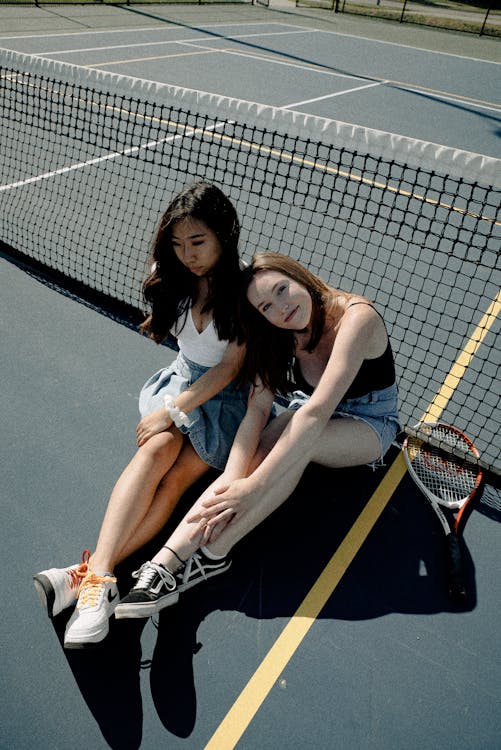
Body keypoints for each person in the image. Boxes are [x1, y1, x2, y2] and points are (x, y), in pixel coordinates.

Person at [113, 251, 400, 618]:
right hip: (306, 412)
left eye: (282, 290)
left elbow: (316, 413)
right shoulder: (275, 333)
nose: (281, 308)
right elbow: (258, 409)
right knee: (258, 450)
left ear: (299, 276)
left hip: (369, 424)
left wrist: (256, 485)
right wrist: (233, 478)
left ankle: (215, 553)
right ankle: (163, 564)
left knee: (296, 444)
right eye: (266, 306)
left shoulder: (356, 318)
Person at [33, 181, 250, 648]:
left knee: (175, 481)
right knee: (157, 449)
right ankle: (100, 581)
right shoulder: (170, 276)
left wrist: (173, 408)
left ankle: (87, 575)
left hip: (228, 397)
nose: (187, 254)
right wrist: (173, 410)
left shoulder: (244, 289)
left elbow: (231, 368)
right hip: (187, 380)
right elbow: (189, 354)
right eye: (178, 244)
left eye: (198, 242)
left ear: (224, 235)